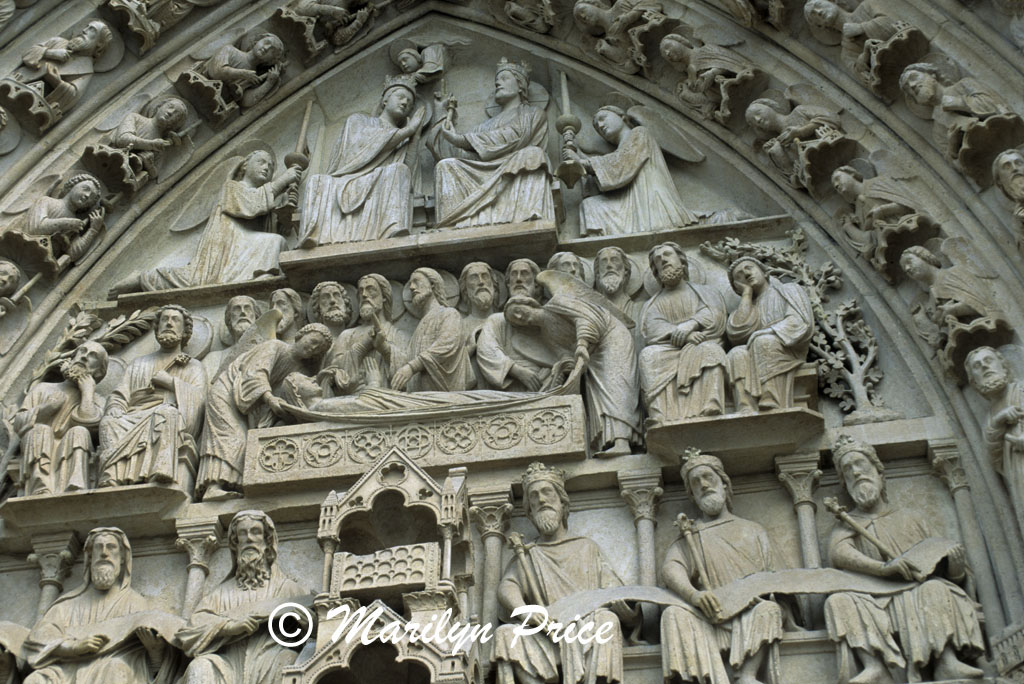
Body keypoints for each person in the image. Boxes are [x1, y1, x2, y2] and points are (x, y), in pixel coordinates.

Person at [823, 436, 984, 683]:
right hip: (872, 596)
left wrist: (956, 569)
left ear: (879, 472)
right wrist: (883, 569)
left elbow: (940, 563)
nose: (855, 472)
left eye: (860, 464)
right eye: (847, 469)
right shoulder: (846, 525)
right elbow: (839, 554)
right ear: (844, 483)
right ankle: (874, 666)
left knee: (936, 588)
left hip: (917, 590)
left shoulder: (911, 518)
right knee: (838, 601)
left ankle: (945, 662)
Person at [494, 462, 634, 684]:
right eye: (534, 496)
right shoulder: (528, 554)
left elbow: (612, 589)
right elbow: (507, 587)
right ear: (529, 512)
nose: (541, 500)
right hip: (545, 633)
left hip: (584, 626)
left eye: (547, 492)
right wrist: (526, 611)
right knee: (506, 635)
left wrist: (618, 603)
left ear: (562, 503)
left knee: (607, 620)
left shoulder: (586, 547)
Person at [661, 451, 783, 684]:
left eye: (708, 477)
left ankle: (747, 675)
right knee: (673, 614)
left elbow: (778, 579)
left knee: (769, 610)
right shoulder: (692, 536)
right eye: (696, 483)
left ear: (725, 484)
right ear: (692, 496)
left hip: (749, 614)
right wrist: (695, 595)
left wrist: (758, 596)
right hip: (709, 617)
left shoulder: (753, 531)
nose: (704, 485)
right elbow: (671, 568)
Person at [110, 150, 301, 294]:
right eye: (261, 162)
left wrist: (285, 208)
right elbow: (251, 206)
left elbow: (270, 225)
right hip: (226, 244)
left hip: (245, 244)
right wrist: (283, 180)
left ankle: (262, 276)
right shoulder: (233, 187)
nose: (267, 168)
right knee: (194, 279)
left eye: (271, 166)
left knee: (277, 241)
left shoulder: (265, 195)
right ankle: (141, 278)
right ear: (244, 166)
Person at [503, 272, 641, 455]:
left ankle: (624, 442)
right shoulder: (546, 334)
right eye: (515, 320)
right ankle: (612, 442)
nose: (520, 317)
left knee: (615, 385)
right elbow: (564, 354)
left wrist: (582, 343)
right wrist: (564, 366)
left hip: (611, 338)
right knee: (600, 394)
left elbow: (588, 317)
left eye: (519, 312)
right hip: (592, 355)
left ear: (529, 304)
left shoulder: (558, 302)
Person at [23, 527, 180, 684]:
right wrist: (73, 647)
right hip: (66, 672)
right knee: (35, 679)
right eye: (98, 547)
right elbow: (38, 641)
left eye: (111, 547)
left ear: (123, 558)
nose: (104, 553)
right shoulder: (67, 605)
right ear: (90, 558)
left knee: (117, 669)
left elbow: (147, 669)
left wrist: (155, 651)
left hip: (112, 671)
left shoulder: (135, 604)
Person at [197, 324, 333, 501]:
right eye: (313, 341)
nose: (313, 348)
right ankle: (212, 487)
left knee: (244, 441)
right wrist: (269, 398)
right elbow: (255, 374)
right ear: (301, 335)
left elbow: (283, 397)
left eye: (318, 348)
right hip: (228, 391)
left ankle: (232, 484)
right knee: (230, 437)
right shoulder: (274, 346)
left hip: (251, 403)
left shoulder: (300, 370)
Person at [178, 511, 308, 684]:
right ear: (235, 543)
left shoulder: (288, 589)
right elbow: (191, 629)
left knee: (289, 659)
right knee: (200, 666)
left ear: (267, 541)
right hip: (228, 667)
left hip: (271, 663)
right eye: (242, 533)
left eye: (255, 532)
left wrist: (305, 621)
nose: (249, 538)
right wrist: (228, 627)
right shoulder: (220, 594)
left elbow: (315, 633)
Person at [300, 75, 424, 245]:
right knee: (317, 181)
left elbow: (407, 175)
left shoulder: (403, 138)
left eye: (409, 103)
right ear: (385, 100)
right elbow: (359, 151)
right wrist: (408, 130)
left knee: (399, 171)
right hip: (349, 178)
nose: (405, 103)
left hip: (380, 182)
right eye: (401, 97)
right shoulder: (359, 121)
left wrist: (415, 136)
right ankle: (312, 236)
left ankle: (392, 228)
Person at [430, 58, 553, 228]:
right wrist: (441, 113)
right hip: (483, 170)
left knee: (532, 154)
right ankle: (457, 223)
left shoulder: (532, 114)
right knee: (446, 165)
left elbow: (514, 136)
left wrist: (462, 139)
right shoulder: (485, 126)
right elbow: (454, 153)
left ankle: (525, 216)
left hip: (514, 164)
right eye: (497, 81)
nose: (498, 84)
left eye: (504, 78)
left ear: (520, 86)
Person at [97, 305, 206, 490]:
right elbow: (119, 394)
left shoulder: (192, 366)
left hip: (164, 413)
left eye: (175, 320)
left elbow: (199, 400)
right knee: (108, 422)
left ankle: (161, 470)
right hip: (133, 416)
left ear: (185, 330)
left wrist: (171, 382)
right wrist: (115, 408)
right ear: (156, 328)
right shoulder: (139, 363)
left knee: (167, 414)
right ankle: (112, 476)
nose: (169, 323)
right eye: (165, 319)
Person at [567, 103, 697, 236]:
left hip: (647, 200)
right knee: (590, 206)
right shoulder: (622, 148)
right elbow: (613, 164)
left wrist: (583, 161)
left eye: (603, 118)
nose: (600, 126)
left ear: (622, 117)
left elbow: (621, 163)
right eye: (597, 127)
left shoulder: (640, 133)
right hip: (628, 202)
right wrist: (577, 154)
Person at [639, 243, 727, 423]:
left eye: (667, 255)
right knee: (648, 356)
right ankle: (659, 414)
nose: (663, 260)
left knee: (711, 350)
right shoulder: (652, 303)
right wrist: (681, 334)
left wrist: (691, 324)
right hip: (669, 351)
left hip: (701, 344)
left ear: (682, 261)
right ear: (655, 270)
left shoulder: (706, 291)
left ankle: (711, 404)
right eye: (657, 259)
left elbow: (716, 314)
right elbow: (651, 329)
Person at [13, 342, 107, 495]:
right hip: (40, 442)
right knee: (40, 429)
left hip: (68, 445)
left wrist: (88, 393)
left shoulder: (96, 401)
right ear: (72, 357)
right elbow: (19, 423)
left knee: (79, 432)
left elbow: (92, 427)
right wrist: (46, 409)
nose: (84, 357)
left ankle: (74, 484)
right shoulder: (44, 388)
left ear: (98, 371)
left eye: (92, 356)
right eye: (82, 351)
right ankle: (40, 485)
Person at [725, 257, 813, 412]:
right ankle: (746, 406)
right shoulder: (751, 307)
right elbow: (737, 331)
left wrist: (769, 331)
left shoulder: (789, 289)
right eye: (738, 276)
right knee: (736, 353)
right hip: (758, 348)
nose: (745, 274)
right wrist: (746, 294)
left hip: (787, 348)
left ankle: (771, 399)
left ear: (764, 272)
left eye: (749, 268)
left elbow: (799, 320)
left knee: (763, 341)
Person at [965, 346, 1024, 532]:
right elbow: (994, 457)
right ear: (974, 383)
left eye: (989, 361)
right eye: (977, 366)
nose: (984, 367)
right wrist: (999, 420)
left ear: (1004, 366)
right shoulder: (991, 418)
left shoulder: (1022, 391)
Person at [319, 274, 407, 394]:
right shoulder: (347, 335)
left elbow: (409, 377)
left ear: (384, 297)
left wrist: (384, 349)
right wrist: (362, 347)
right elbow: (330, 373)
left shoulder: (399, 336)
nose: (365, 295)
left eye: (371, 290)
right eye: (361, 291)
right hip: (353, 400)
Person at [392, 268, 473, 392]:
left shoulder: (449, 314)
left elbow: (446, 346)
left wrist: (412, 367)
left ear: (432, 284)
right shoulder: (419, 328)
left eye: (416, 281)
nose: (412, 288)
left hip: (442, 393)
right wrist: (384, 347)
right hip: (418, 398)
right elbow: (407, 361)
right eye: (410, 284)